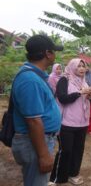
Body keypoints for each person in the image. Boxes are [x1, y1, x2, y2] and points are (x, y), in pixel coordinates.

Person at [11, 35, 63, 186]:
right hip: (34, 143)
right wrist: (43, 155)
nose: (55, 55)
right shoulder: (30, 80)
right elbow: (33, 121)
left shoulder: (35, 76)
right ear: (48, 53)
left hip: (39, 140)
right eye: (54, 51)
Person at [49, 58, 91, 185]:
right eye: (79, 66)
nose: (82, 69)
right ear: (72, 67)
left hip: (82, 122)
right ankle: (56, 177)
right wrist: (80, 93)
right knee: (66, 150)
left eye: (83, 66)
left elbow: (85, 100)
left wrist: (89, 96)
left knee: (78, 150)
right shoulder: (65, 79)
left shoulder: (83, 81)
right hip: (67, 122)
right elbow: (63, 98)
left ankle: (73, 174)